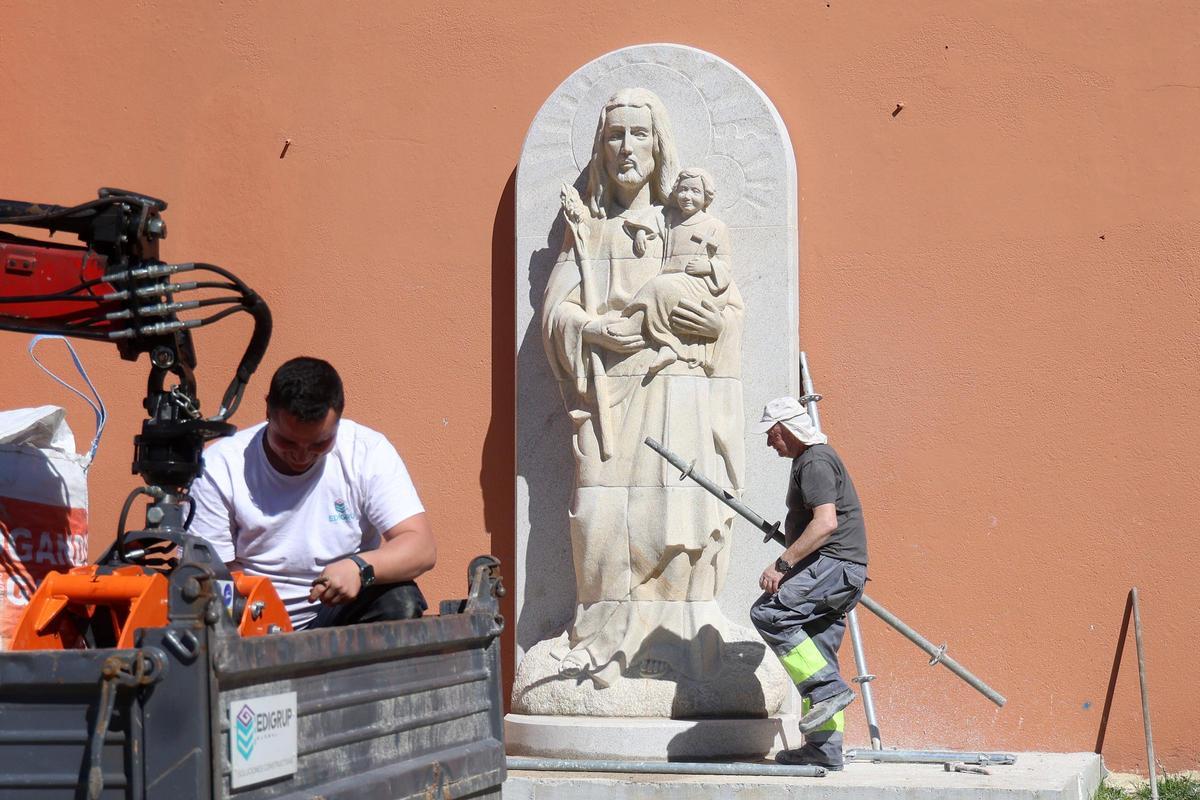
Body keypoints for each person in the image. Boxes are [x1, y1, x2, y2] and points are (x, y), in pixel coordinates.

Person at [540, 87, 747, 688]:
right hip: (608, 396)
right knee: (598, 514)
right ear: (600, 148)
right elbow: (557, 314)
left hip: (676, 390)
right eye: (615, 135)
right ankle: (602, 637)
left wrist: (718, 330)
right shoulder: (587, 232)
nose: (626, 147)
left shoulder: (680, 225)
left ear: (660, 146)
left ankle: (671, 641)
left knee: (674, 515)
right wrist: (592, 328)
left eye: (639, 134)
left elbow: (728, 308)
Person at [188, 356, 436, 630]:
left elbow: (421, 547)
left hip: (336, 616)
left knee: (399, 600)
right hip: (250, 622)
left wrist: (359, 567)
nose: (301, 455)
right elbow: (209, 575)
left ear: (338, 420)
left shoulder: (366, 452)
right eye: (287, 441)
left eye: (319, 443)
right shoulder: (219, 466)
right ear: (268, 411)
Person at [749, 396, 869, 771]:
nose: (769, 442)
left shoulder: (814, 460)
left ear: (787, 428)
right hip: (841, 572)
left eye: (771, 433)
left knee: (769, 613)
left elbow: (826, 522)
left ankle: (829, 692)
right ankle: (823, 749)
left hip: (833, 565)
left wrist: (782, 564)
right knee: (815, 654)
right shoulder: (812, 459)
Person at [617, 167, 733, 376]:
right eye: (683, 190)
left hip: (700, 286)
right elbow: (654, 218)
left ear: (706, 197)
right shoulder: (671, 219)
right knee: (662, 288)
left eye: (695, 191)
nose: (687, 196)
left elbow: (725, 266)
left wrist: (708, 266)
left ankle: (633, 323)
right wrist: (642, 231)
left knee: (657, 286)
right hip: (672, 283)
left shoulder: (715, 226)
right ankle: (669, 347)